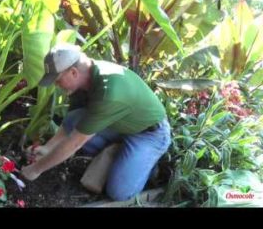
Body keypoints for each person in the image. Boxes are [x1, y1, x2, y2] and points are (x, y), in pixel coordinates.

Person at [20, 43, 171, 201]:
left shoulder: (109, 91)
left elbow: (74, 143)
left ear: (73, 72)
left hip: (149, 135)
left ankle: (150, 167)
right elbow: (70, 122)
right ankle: (123, 155)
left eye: (57, 81)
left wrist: (36, 169)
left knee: (119, 193)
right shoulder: (84, 80)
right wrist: (48, 148)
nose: (57, 85)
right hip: (119, 125)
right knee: (75, 119)